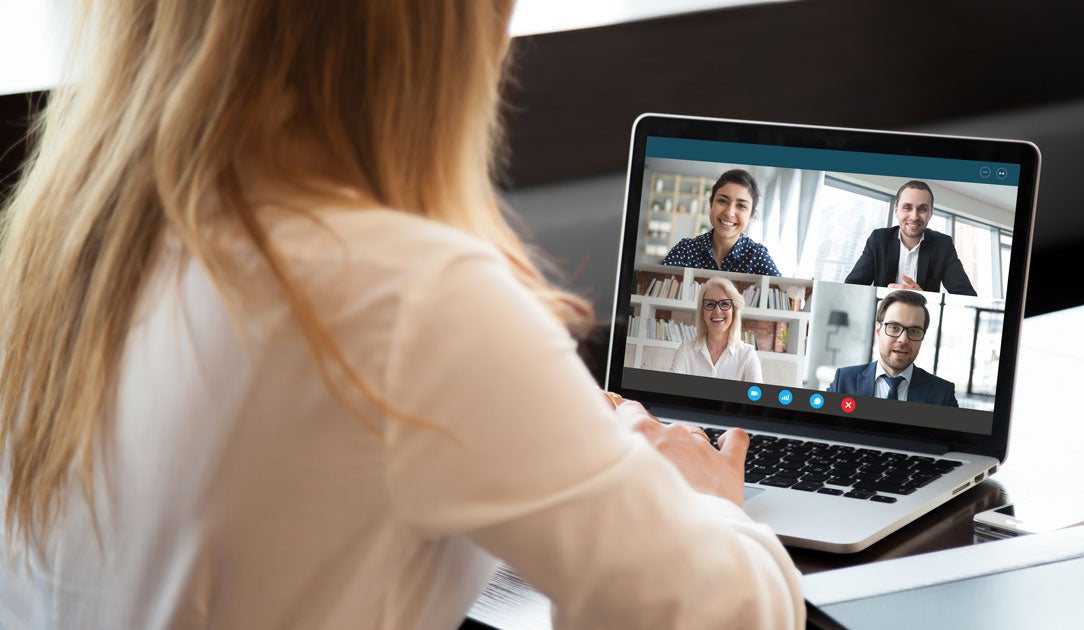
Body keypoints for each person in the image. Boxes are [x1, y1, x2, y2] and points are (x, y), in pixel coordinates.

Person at [0, 1, 804, 628]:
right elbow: (702, 614)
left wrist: (553, 446)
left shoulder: (66, 252)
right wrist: (697, 503)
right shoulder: (409, 296)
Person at [843, 180, 977, 295]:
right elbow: (852, 287)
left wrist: (923, 299)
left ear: (930, 213)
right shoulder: (879, 239)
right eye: (907, 207)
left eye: (922, 209)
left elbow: (967, 296)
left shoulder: (943, 244)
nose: (914, 216)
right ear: (896, 210)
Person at [827, 291, 959, 407]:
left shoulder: (942, 393)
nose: (903, 339)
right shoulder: (844, 380)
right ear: (878, 330)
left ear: (923, 336)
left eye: (914, 331)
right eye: (894, 327)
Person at [661, 169, 782, 276]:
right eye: (722, 201)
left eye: (741, 205)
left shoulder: (757, 256)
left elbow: (784, 295)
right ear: (711, 203)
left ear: (751, 215)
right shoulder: (685, 250)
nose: (729, 213)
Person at [670, 278, 764, 382]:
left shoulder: (748, 355)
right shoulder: (686, 350)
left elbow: (755, 397)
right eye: (710, 304)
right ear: (702, 313)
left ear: (734, 311)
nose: (717, 311)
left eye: (724, 304)